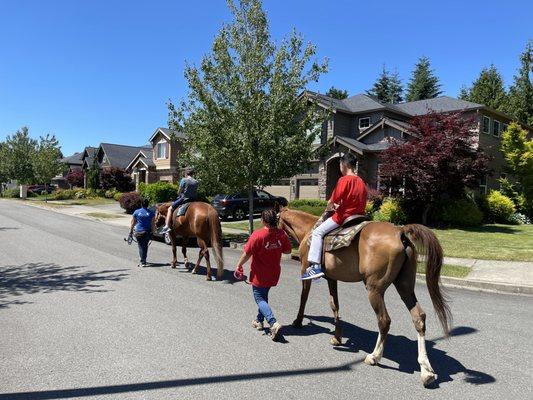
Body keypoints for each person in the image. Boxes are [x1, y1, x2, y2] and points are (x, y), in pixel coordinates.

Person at [301, 153, 367, 280]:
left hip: (344, 217)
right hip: (359, 216)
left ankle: (315, 267)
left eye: (340, 165)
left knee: (317, 233)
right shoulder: (361, 181)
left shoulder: (344, 180)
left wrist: (329, 208)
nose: (340, 168)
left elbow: (332, 201)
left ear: (344, 164)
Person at [235, 208, 292, 341]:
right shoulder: (281, 234)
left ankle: (273, 323)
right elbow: (288, 250)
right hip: (274, 272)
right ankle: (259, 321)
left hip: (260, 274)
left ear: (263, 220)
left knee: (259, 298)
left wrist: (239, 265)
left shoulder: (257, 235)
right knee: (264, 296)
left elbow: (247, 253)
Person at [161, 169, 198, 233]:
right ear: (192, 174)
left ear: (186, 174)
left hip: (184, 199)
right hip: (194, 199)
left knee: (170, 208)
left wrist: (181, 194)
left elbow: (179, 192)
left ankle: (166, 226)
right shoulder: (196, 181)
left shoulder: (184, 180)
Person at [130, 197, 155, 267]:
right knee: (145, 246)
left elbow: (133, 223)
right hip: (147, 232)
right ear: (148, 204)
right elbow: (153, 224)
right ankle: (143, 259)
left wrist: (130, 232)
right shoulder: (151, 213)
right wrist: (153, 233)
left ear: (141, 204)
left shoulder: (136, 212)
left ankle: (142, 261)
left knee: (140, 246)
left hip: (138, 232)